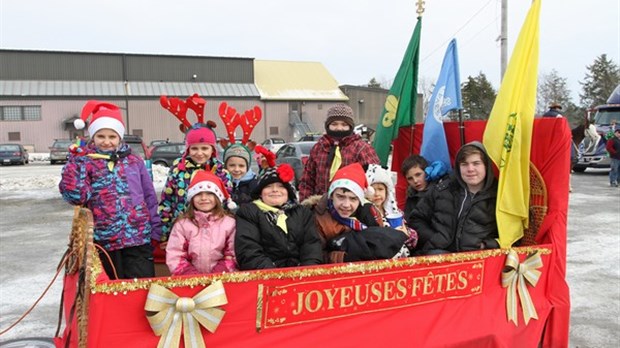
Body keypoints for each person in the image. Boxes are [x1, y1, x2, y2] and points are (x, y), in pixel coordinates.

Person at [59, 101, 160, 279]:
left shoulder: (134, 162)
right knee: (111, 291)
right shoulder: (86, 162)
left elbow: (149, 195)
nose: (107, 142)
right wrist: (75, 163)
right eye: (101, 136)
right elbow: (76, 196)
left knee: (141, 287)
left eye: (112, 137)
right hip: (104, 240)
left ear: (120, 137)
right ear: (93, 137)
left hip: (137, 237)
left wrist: (156, 229)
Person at [305, 163, 409, 263]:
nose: (346, 204)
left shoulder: (370, 213)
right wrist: (345, 258)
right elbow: (315, 257)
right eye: (340, 197)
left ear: (360, 200)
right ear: (331, 196)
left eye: (353, 199)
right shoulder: (318, 219)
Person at [409, 142, 499, 254]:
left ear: (486, 165)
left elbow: (511, 235)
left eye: (476, 163)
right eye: (464, 164)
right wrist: (433, 238)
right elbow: (416, 219)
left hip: (478, 259)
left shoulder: (498, 195)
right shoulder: (443, 189)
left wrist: (485, 245)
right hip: (439, 255)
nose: (470, 169)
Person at [156, 123, 233, 247]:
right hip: (181, 233)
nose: (199, 153)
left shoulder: (221, 172)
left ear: (212, 149)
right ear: (187, 149)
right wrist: (164, 233)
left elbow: (226, 206)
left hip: (213, 236)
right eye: (194, 148)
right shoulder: (177, 170)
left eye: (204, 148)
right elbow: (167, 202)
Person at [234, 163, 323, 270]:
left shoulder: (302, 212)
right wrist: (274, 275)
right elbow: (248, 250)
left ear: (289, 192)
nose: (275, 190)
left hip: (301, 274)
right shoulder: (249, 212)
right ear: (260, 192)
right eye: (268, 186)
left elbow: (311, 245)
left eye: (281, 186)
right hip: (266, 276)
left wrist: (307, 271)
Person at [298, 103, 380, 201]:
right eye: (334, 124)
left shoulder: (362, 148)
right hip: (321, 206)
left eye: (344, 125)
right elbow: (307, 180)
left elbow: (375, 179)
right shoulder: (318, 148)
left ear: (350, 126)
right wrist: (306, 205)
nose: (339, 128)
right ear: (328, 126)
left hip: (351, 206)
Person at [166, 170, 237, 275]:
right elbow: (175, 255)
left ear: (217, 198)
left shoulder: (229, 224)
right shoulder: (182, 225)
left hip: (222, 281)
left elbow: (232, 255)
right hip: (189, 283)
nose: (204, 198)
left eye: (209, 194)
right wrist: (193, 278)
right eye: (198, 194)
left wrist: (216, 276)